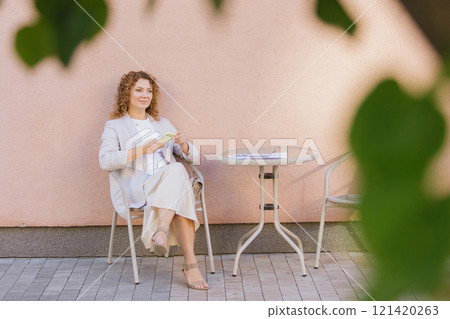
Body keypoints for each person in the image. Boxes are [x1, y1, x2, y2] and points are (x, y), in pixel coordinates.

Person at [99, 71, 208, 290]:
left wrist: (184, 144)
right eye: (138, 90)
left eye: (149, 91)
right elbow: (105, 160)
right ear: (126, 93)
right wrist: (140, 150)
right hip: (140, 188)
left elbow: (194, 159)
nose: (144, 95)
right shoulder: (115, 126)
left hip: (168, 183)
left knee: (176, 171)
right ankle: (189, 265)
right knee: (178, 180)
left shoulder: (163, 123)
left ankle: (163, 232)